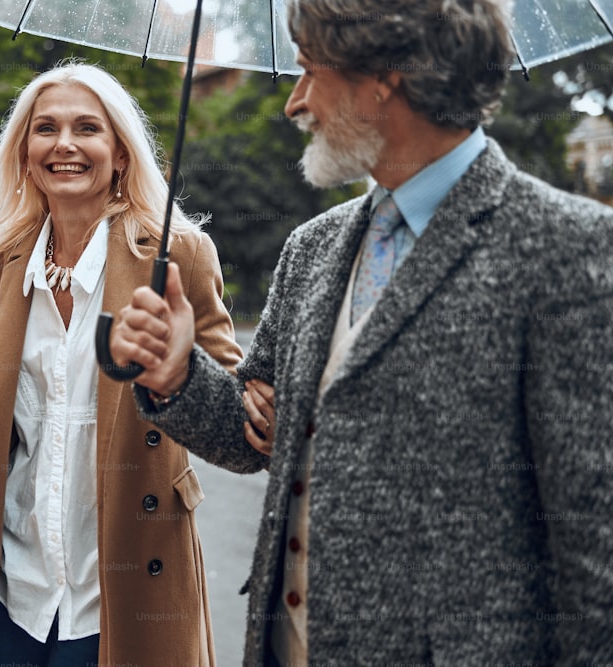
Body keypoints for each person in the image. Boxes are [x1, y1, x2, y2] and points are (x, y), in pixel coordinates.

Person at [109, 1, 613, 665]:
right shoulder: (311, 249)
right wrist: (178, 373)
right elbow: (252, 434)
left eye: (310, 72)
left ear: (386, 75)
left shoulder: (566, 248)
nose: (294, 103)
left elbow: (594, 549)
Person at [0, 61, 243, 667]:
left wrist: (181, 372)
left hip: (126, 587)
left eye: (88, 128)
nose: (66, 144)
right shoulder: (2, 266)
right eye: (45, 128)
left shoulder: (176, 254)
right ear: (26, 153)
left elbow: (239, 422)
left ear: (121, 154)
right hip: (15, 590)